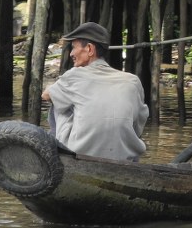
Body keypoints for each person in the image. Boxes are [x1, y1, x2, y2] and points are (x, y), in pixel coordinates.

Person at [41, 22, 149, 161]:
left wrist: (52, 87)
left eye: (74, 47)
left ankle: (60, 156)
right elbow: (139, 123)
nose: (72, 53)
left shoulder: (74, 76)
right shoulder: (132, 81)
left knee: (57, 102)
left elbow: (45, 95)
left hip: (81, 154)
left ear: (90, 49)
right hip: (125, 156)